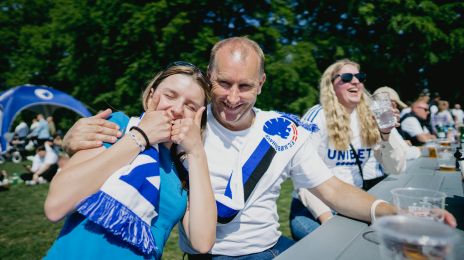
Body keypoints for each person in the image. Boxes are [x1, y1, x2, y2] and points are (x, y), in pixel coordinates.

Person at [61, 37, 456, 259]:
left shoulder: (284, 131)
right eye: (223, 83)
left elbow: (332, 190)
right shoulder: (186, 122)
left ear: (262, 83)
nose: (232, 98)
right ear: (209, 78)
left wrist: (394, 214)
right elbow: (138, 124)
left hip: (270, 251)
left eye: (245, 86)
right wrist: (73, 137)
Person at [44, 63, 216, 259]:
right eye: (170, 95)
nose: (177, 109)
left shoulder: (185, 170)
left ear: (198, 118)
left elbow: (202, 242)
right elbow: (55, 206)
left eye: (190, 106)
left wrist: (196, 152)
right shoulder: (118, 128)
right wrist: (140, 137)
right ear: (151, 96)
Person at [289, 62, 406, 240]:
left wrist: (386, 134)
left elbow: (395, 167)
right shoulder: (318, 116)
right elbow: (302, 177)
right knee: (333, 247)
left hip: (354, 203)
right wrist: (328, 219)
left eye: (359, 78)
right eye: (346, 78)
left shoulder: (373, 115)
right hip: (314, 207)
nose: (355, 82)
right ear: (331, 85)